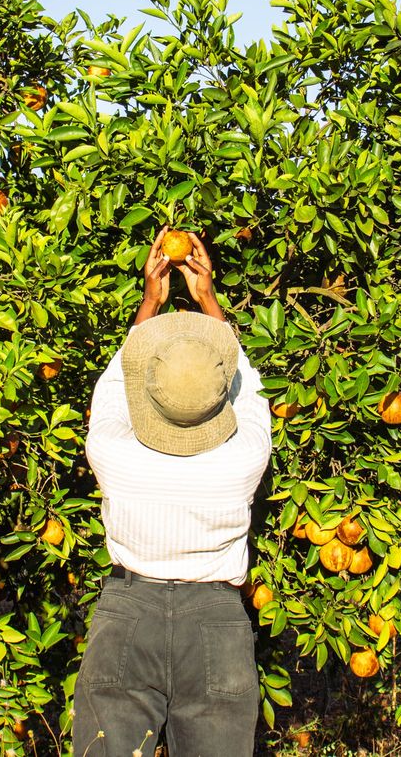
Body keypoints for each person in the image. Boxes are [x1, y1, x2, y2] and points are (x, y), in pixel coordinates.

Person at [70, 226, 272, 757]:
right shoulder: (243, 459)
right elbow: (246, 386)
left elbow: (117, 384)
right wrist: (208, 297)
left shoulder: (113, 452)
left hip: (127, 612)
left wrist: (150, 300)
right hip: (217, 621)